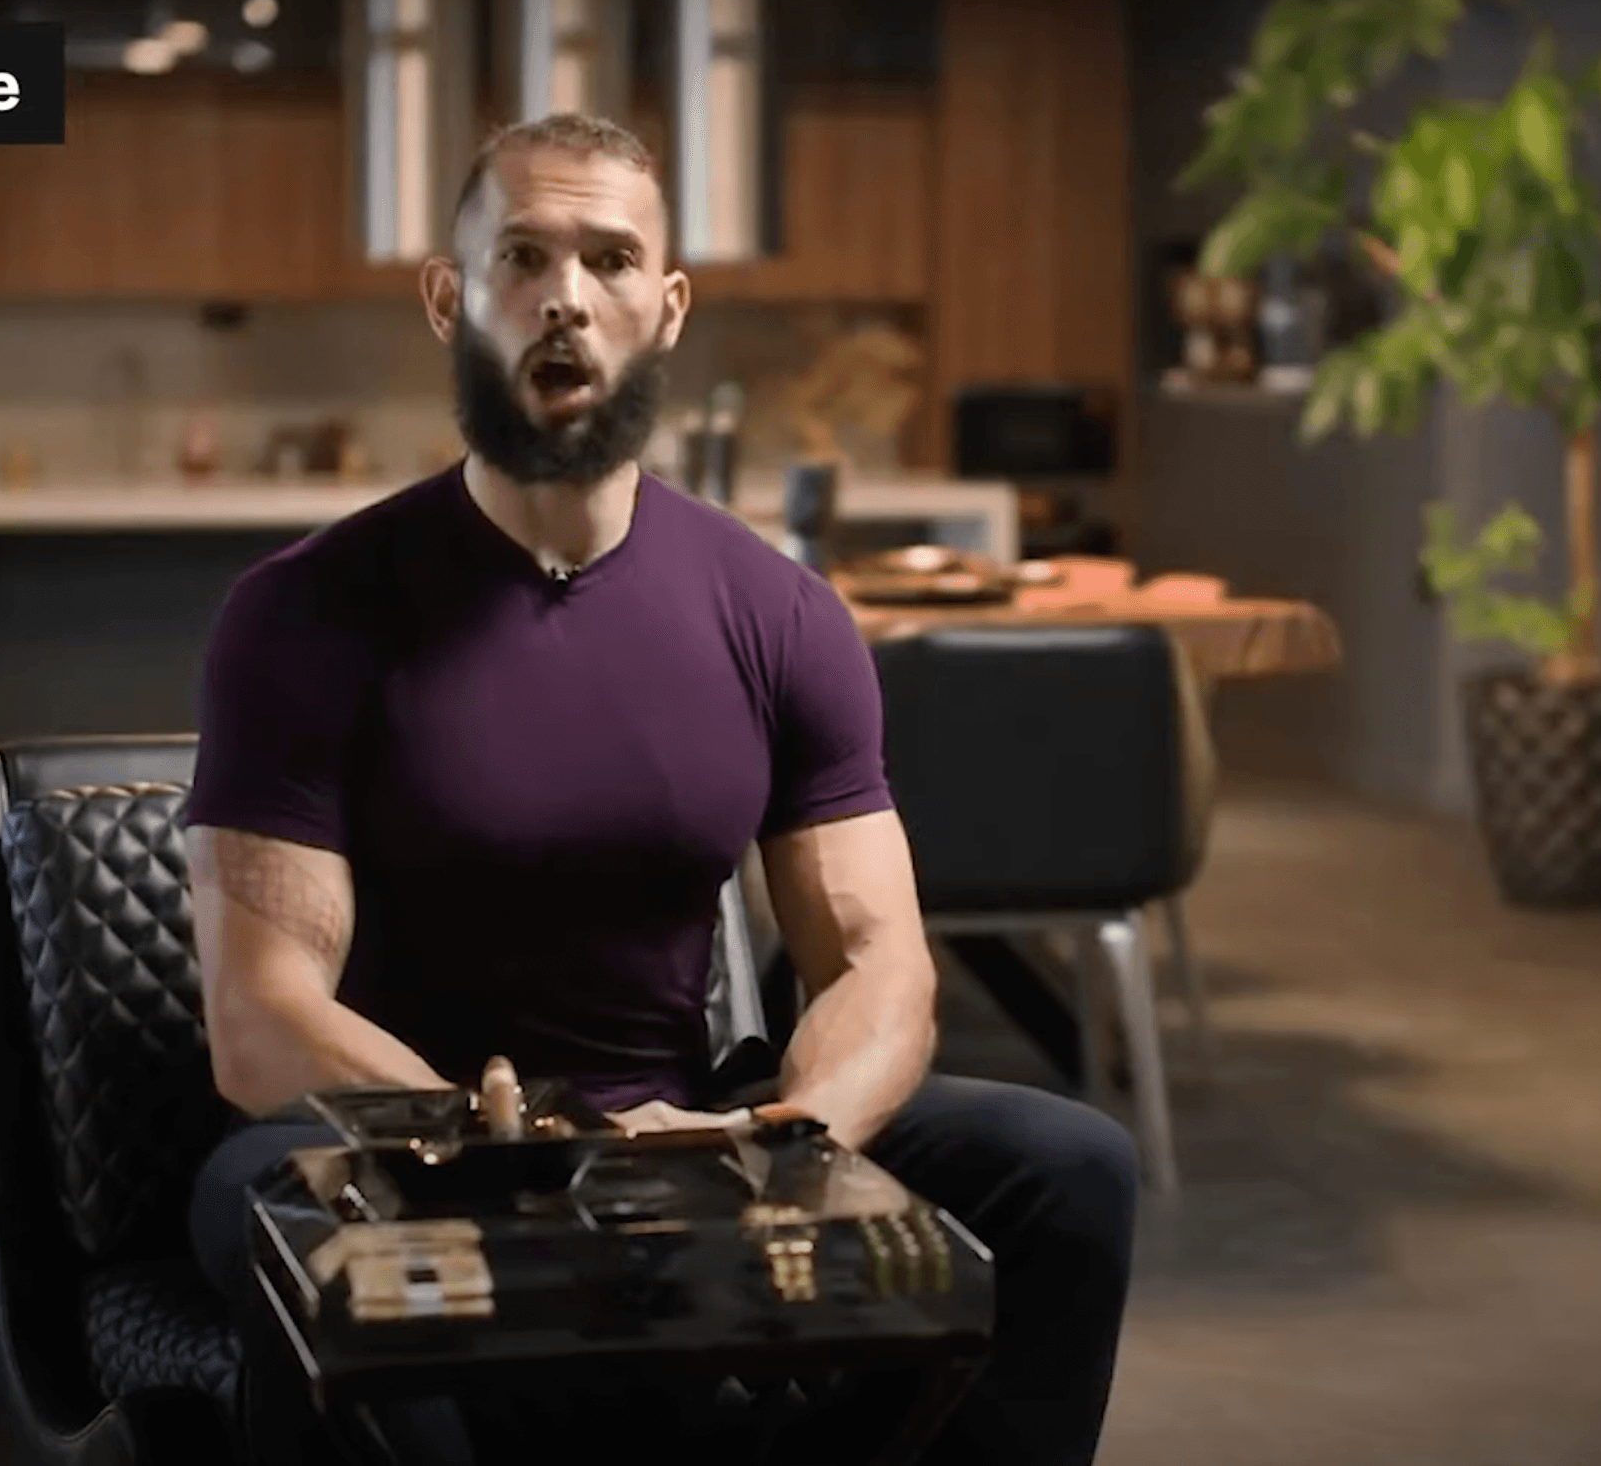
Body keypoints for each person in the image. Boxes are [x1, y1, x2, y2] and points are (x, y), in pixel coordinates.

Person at [178, 112, 1138, 1466]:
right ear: (450, 298)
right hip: (392, 1141)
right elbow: (261, 1019)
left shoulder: (780, 615)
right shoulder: (301, 615)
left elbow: (878, 963)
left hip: (693, 1126)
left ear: (668, 305)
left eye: (612, 258)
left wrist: (783, 1138)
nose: (568, 295)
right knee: (305, 1237)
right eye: (523, 255)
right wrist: (530, 1157)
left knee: (1071, 1173)